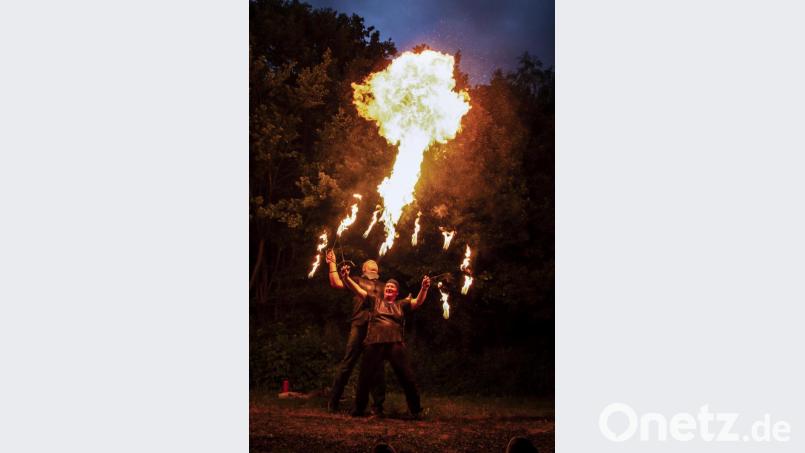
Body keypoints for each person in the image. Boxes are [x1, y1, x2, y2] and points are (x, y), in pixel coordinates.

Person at [341, 267, 430, 418]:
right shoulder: (374, 301)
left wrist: (424, 288)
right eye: (387, 286)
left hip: (395, 343)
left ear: (396, 292)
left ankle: (415, 410)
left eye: (392, 287)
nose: (389, 288)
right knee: (365, 377)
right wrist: (346, 278)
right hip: (374, 342)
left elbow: (418, 301)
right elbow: (357, 290)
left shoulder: (401, 304)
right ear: (384, 291)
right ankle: (359, 409)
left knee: (407, 377)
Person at [325, 249, 386, 413]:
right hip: (359, 325)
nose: (373, 263)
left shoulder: (386, 286)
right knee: (348, 364)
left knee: (377, 367)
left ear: (377, 271)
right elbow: (336, 282)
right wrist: (332, 263)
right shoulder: (357, 280)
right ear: (364, 269)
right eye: (369, 264)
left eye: (375, 264)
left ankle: (378, 406)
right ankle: (333, 402)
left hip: (377, 329)